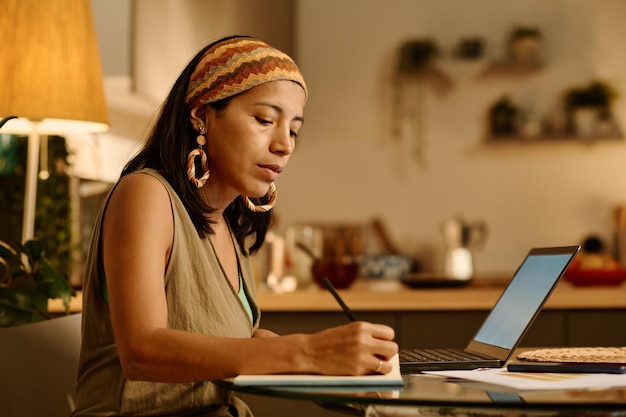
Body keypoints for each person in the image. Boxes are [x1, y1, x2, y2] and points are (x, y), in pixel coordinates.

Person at [73, 35, 398, 417]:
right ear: (202, 114)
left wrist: (333, 369)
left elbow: (239, 341)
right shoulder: (146, 194)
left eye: (293, 129)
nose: (284, 144)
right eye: (264, 120)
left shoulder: (228, 225)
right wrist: (308, 352)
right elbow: (142, 352)